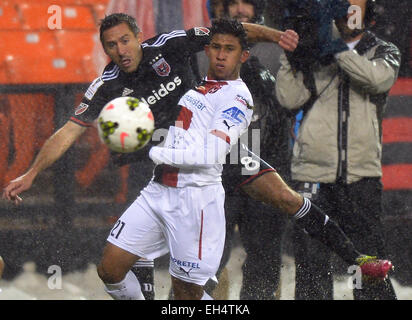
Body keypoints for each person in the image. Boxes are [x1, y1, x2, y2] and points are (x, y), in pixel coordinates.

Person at [2, 13, 298, 299]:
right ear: (104, 49)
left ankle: (326, 244)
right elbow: (69, 130)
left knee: (279, 205)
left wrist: (278, 37)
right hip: (157, 166)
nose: (121, 50)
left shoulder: (169, 45)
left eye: (125, 40)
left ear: (138, 37)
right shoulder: (107, 85)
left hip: (210, 155)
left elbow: (232, 33)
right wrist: (32, 174)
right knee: (126, 264)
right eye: (111, 45)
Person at [275, 0, 401, 299]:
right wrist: (291, 58)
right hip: (312, 172)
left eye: (355, 2)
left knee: (367, 262)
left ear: (368, 9)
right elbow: (288, 98)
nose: (347, 8)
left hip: (361, 175)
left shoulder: (384, 50)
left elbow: (376, 80)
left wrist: (336, 48)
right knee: (311, 261)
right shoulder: (312, 46)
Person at [198, 0, 291, 300]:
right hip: (215, 173)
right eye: (231, 3)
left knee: (264, 260)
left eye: (246, 2)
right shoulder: (199, 51)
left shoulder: (280, 51)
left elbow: (289, 106)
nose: (239, 9)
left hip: (265, 169)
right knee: (204, 260)